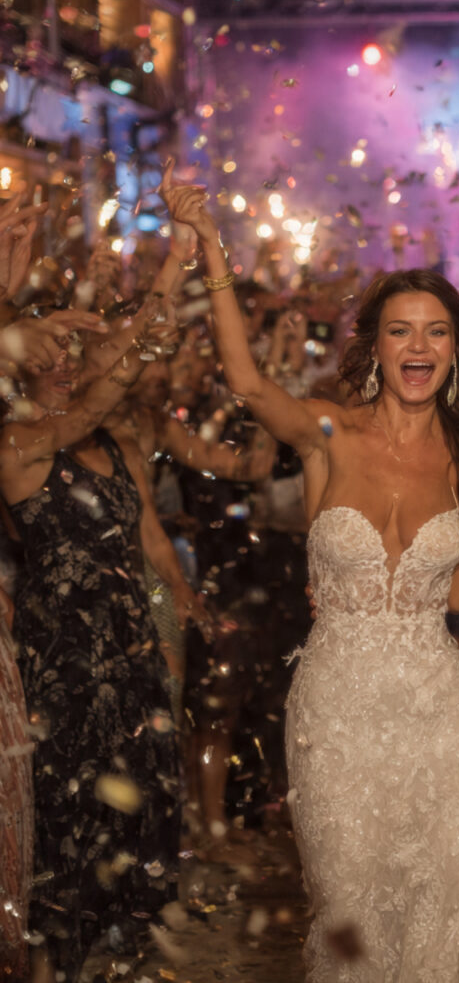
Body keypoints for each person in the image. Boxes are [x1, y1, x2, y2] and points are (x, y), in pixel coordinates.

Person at [164, 161, 459, 982]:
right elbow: (249, 381)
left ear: (455, 350)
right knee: (351, 908)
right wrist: (210, 247)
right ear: (378, 346)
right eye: (400, 330)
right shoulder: (330, 432)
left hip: (437, 713)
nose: (418, 347)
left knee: (446, 902)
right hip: (337, 711)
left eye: (434, 331)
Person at [0, 301, 188, 981]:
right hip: (63, 660)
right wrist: (145, 335)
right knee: (70, 818)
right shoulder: (16, 444)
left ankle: (119, 955)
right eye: (44, 358)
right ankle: (61, 960)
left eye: (69, 358)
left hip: (128, 647)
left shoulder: (112, 442)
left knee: (137, 810)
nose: (62, 369)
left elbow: (145, 542)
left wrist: (171, 614)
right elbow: (95, 395)